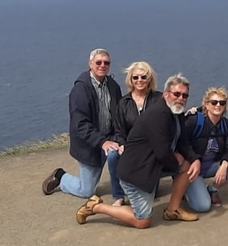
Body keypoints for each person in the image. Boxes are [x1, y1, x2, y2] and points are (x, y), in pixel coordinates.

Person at [75, 75, 197, 228]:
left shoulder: (177, 113)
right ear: (166, 94)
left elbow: (183, 141)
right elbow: (162, 152)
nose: (181, 98)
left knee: (187, 166)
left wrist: (195, 159)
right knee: (142, 221)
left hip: (153, 165)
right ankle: (96, 206)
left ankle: (173, 210)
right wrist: (176, 161)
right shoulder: (158, 114)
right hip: (136, 172)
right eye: (177, 94)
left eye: (185, 95)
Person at [43, 48, 122, 198]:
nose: (102, 65)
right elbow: (80, 124)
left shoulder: (113, 87)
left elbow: (119, 116)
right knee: (87, 191)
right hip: (90, 144)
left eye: (106, 63)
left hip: (110, 138)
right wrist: (102, 142)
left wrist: (119, 139)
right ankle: (61, 177)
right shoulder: (80, 89)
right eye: (98, 62)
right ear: (90, 64)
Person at [108, 61, 162, 206]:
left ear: (149, 79)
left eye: (143, 77)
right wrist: (122, 144)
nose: (139, 80)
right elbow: (119, 130)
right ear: (130, 80)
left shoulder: (159, 99)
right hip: (130, 147)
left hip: (152, 149)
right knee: (112, 155)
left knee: (152, 194)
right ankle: (119, 195)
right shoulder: (123, 103)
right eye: (135, 77)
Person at [181, 87, 228, 213]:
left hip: (210, 166)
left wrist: (224, 166)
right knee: (203, 206)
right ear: (206, 105)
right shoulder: (194, 121)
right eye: (214, 102)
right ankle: (184, 190)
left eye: (222, 103)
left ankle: (212, 189)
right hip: (193, 168)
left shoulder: (227, 125)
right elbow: (182, 143)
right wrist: (194, 159)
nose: (218, 105)